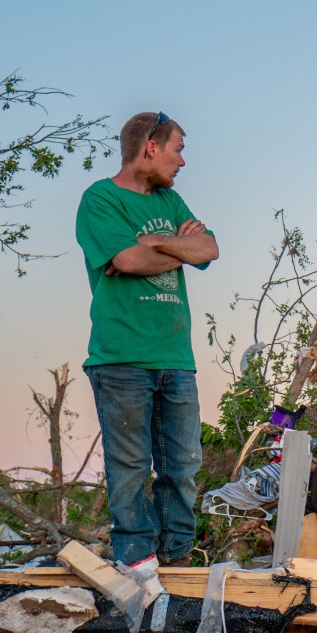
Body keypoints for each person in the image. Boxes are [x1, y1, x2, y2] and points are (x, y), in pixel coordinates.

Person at [76, 112, 218, 566]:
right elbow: (128, 262)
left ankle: (176, 560)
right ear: (151, 147)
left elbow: (209, 249)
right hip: (121, 358)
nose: (182, 162)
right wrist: (176, 248)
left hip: (176, 358)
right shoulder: (100, 198)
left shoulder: (170, 202)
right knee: (131, 469)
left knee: (182, 468)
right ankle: (137, 564)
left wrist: (153, 244)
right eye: (177, 149)